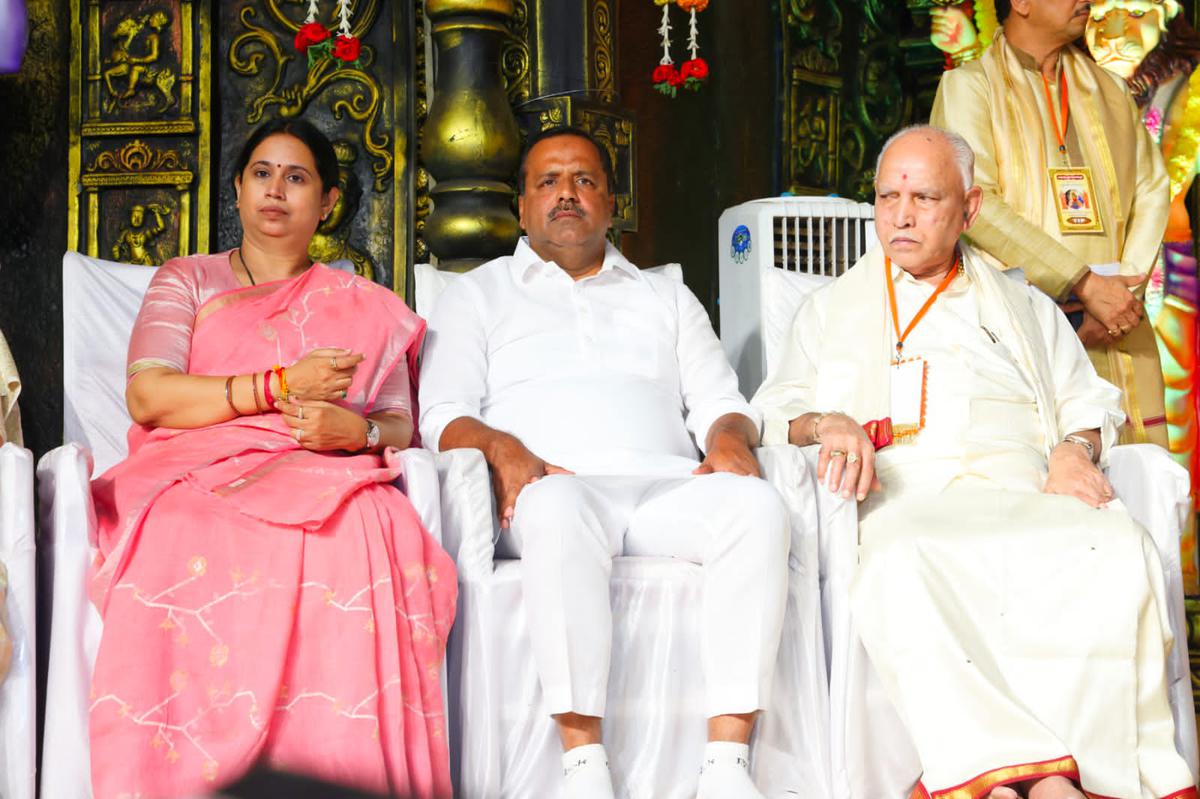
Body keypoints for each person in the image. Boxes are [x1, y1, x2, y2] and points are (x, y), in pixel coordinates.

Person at [753, 125, 1196, 799]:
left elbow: (1091, 403)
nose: (900, 214)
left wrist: (1074, 450)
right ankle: (1005, 776)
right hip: (909, 496)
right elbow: (772, 412)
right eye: (886, 196)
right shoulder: (829, 310)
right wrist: (826, 421)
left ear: (970, 208)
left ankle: (1075, 775)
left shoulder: (1023, 307)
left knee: (1115, 543)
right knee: (901, 558)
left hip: (1028, 491)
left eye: (924, 196)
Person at [88, 118, 456, 799]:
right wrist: (279, 386)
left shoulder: (367, 306)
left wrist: (357, 432)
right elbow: (149, 394)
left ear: (328, 201)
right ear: (236, 188)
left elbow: (398, 423)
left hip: (325, 470)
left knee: (366, 527)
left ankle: (334, 775)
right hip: (194, 472)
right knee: (181, 527)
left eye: (297, 177)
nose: (275, 191)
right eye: (261, 173)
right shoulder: (186, 281)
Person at [418, 126, 789, 799]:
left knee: (758, 507)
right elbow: (441, 413)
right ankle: (584, 764)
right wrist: (503, 448)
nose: (568, 194)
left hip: (667, 490)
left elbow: (719, 401)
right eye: (549, 182)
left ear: (611, 204)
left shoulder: (663, 295)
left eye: (585, 180)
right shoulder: (478, 294)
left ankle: (728, 764)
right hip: (552, 486)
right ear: (523, 206)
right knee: (558, 509)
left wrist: (730, 437)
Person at [931, 0, 1172, 447]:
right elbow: (974, 203)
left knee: (1137, 490)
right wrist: (1082, 284)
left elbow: (1153, 191)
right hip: (1023, 322)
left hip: (1119, 322)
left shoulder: (1111, 90)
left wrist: (1123, 299)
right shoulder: (970, 87)